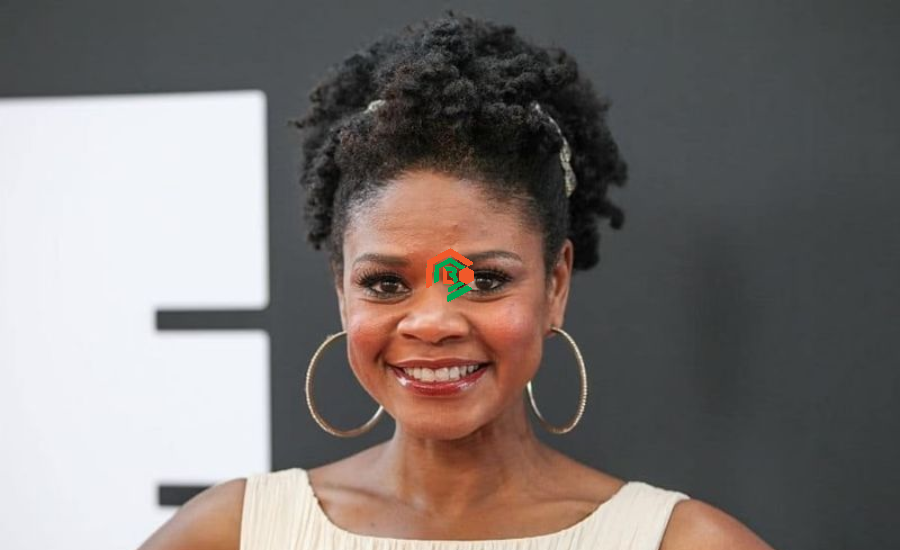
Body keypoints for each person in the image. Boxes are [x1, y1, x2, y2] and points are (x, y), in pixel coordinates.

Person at [138, 11, 775, 550]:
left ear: (555, 284)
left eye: (484, 279)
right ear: (341, 289)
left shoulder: (682, 541)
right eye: (385, 284)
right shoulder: (232, 532)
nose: (434, 323)